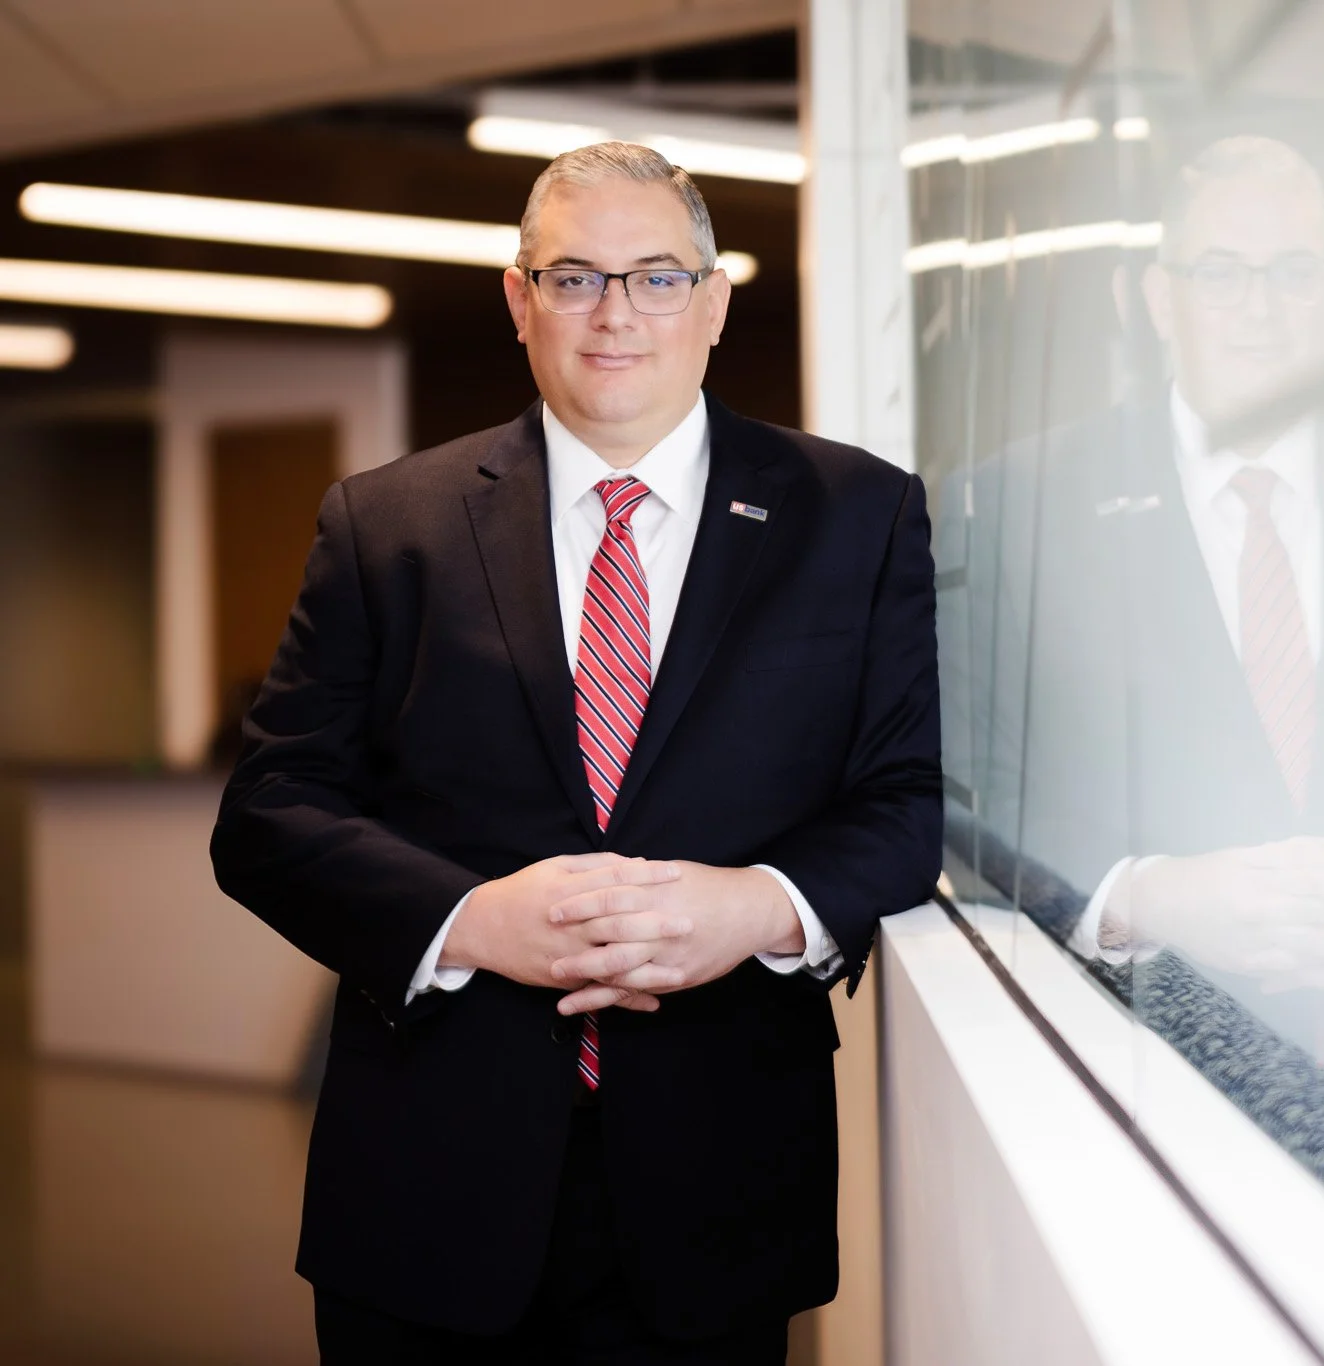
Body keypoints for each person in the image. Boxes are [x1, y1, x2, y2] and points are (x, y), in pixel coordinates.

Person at [211, 141, 940, 1363]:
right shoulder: (386, 523)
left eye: (656, 277)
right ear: (519, 299)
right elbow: (270, 810)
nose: (614, 314)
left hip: (716, 1178)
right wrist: (469, 922)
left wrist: (753, 908)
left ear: (712, 302)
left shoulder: (855, 514)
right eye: (573, 277)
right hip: (427, 1177)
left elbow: (902, 802)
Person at [943, 135, 1324, 1216]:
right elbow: (961, 781)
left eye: (1291, 272)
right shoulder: (1017, 508)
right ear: (1155, 297)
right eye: (1220, 273)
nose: (1259, 309)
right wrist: (1146, 893)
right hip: (1153, 1093)